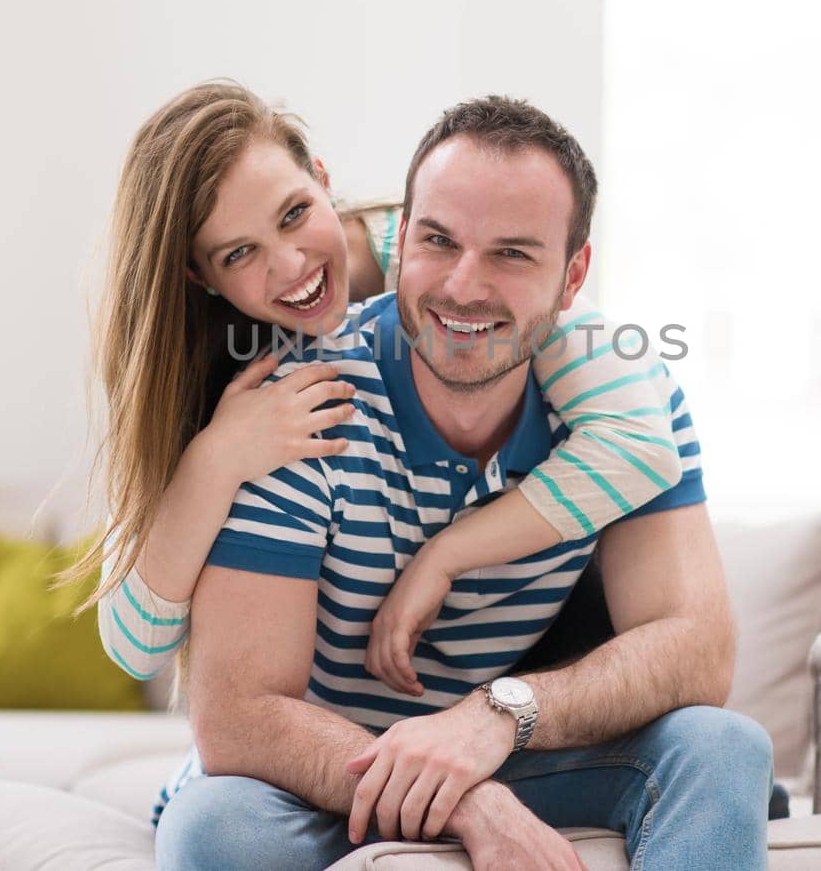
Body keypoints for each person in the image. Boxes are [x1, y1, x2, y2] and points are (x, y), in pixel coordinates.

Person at [150, 94, 772, 870]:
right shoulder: (296, 413)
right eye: (439, 241)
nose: (464, 287)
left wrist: (497, 717)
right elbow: (238, 716)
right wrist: (468, 798)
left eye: (512, 254)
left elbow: (695, 650)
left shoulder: (623, 408)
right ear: (399, 238)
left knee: (721, 746)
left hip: (513, 746)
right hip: (324, 775)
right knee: (218, 829)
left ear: (573, 275)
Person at [60, 80, 686, 707]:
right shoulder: (202, 368)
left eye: (295, 213)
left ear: (323, 180)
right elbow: (135, 645)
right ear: (200, 274)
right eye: (240, 252)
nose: (290, 265)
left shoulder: (443, 264)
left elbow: (639, 443)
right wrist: (216, 459)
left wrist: (446, 554)